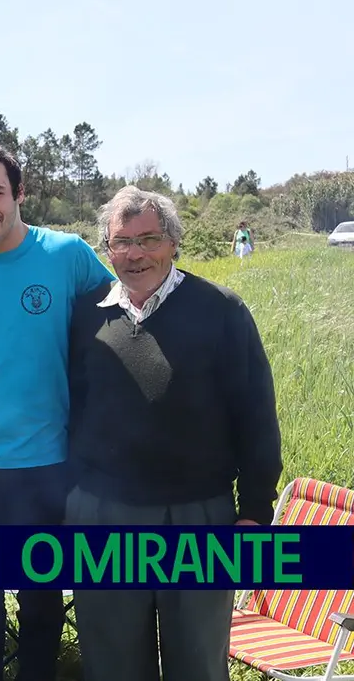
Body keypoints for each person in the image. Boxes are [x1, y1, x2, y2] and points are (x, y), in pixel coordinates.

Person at [67, 185, 283, 681]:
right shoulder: (84, 315)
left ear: (174, 242)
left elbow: (256, 416)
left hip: (197, 512)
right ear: (107, 248)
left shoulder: (222, 310)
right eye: (121, 242)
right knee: (112, 662)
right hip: (103, 516)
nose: (135, 253)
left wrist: (254, 512)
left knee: (198, 663)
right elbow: (68, 407)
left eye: (149, 238)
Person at [0, 143, 114, 681]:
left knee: (41, 606)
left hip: (49, 468)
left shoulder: (68, 256)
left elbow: (123, 322)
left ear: (19, 194)